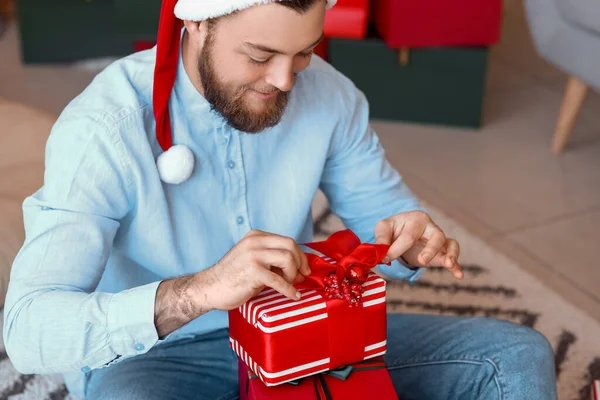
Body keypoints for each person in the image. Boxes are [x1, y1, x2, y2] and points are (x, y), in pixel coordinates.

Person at [3, 0, 557, 398]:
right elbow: (28, 330)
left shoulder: (333, 96)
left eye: (304, 53)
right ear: (194, 20)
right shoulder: (104, 127)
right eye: (259, 54)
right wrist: (199, 292)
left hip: (302, 327)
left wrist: (413, 240)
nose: (286, 80)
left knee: (514, 355)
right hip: (161, 357)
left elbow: (384, 220)